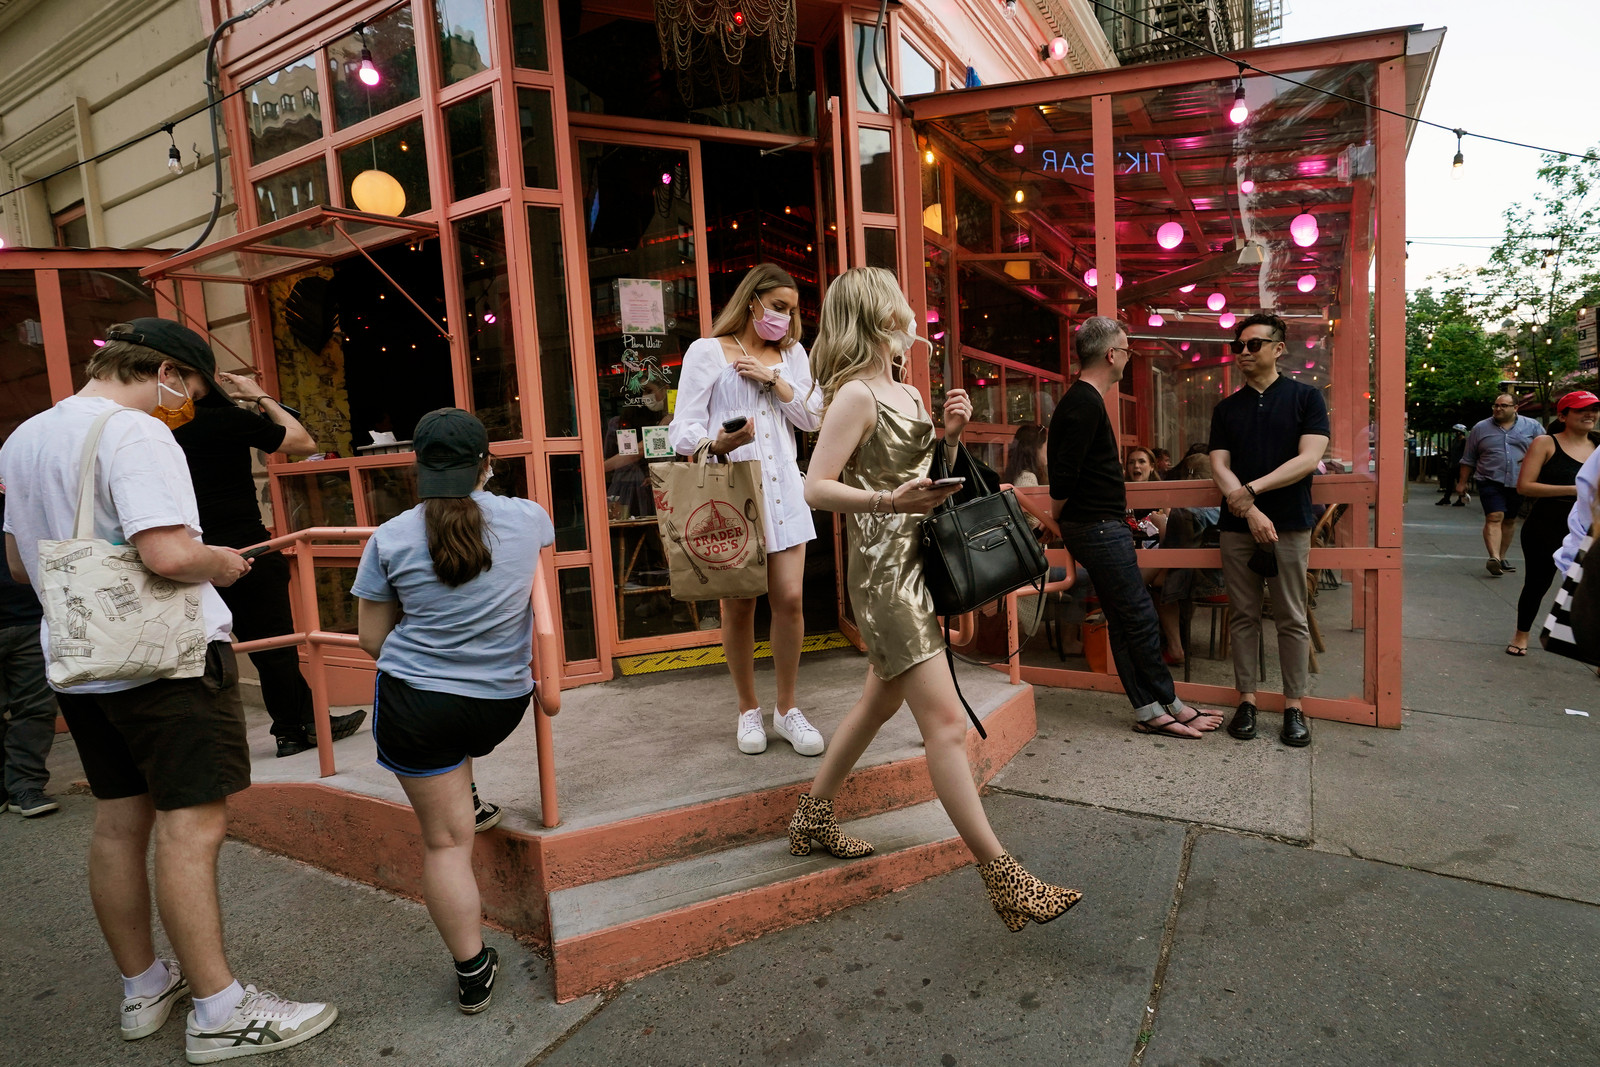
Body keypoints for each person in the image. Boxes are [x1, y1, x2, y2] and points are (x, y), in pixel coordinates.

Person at [0, 322, 336, 1059]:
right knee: (193, 825)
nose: (184, 403)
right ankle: (222, 1010)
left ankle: (144, 983)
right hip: (165, 662)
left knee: (121, 821)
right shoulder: (139, 434)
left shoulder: (24, 438)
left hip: (84, 657)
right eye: (188, 388)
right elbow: (168, 551)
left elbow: (23, 567)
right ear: (163, 369)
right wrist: (222, 561)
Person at [787, 266, 1080, 930]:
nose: (909, 317)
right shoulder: (856, 395)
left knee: (876, 700)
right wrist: (888, 499)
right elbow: (815, 487)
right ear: (875, 317)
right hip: (886, 575)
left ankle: (810, 816)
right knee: (945, 726)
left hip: (919, 561)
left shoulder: (908, 394)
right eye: (896, 307)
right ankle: (1003, 874)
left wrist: (948, 437)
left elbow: (927, 480)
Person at [352, 408, 554, 1015]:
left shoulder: (388, 537)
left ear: (417, 468)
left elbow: (371, 640)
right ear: (486, 464)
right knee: (455, 749)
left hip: (418, 708)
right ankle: (463, 792)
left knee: (445, 846)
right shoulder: (530, 520)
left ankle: (472, 973)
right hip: (500, 704)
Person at [155, 319, 367, 759]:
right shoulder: (222, 420)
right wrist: (259, 395)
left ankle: (309, 720)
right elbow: (301, 440)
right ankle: (294, 730)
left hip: (184, 551)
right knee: (275, 644)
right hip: (243, 548)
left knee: (221, 650)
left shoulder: (151, 429)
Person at [669, 264, 825, 758]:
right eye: (778, 307)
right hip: (733, 495)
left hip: (785, 492)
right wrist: (717, 442)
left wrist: (772, 380)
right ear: (752, 301)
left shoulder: (793, 354)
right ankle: (747, 708)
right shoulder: (706, 352)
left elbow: (813, 415)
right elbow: (681, 430)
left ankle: (787, 707)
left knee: (791, 600)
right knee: (739, 606)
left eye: (792, 310)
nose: (784, 318)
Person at [1048, 316, 1218, 738]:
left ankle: (1149, 710)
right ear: (1112, 354)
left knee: (1126, 618)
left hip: (1097, 526)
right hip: (1098, 527)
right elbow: (1064, 479)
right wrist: (1064, 519)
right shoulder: (1083, 403)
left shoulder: (1083, 401)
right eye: (1126, 350)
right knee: (1140, 616)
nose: (1128, 356)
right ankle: (1170, 705)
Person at [1208, 313, 1330, 749]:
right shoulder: (1227, 407)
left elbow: (1308, 457)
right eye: (1237, 345)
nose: (1242, 352)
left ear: (1278, 348)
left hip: (1290, 523)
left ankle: (1294, 705)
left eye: (1253, 344)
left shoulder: (1305, 398)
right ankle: (1247, 700)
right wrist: (1248, 509)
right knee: (1241, 615)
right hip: (1238, 526)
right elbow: (1218, 463)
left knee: (1291, 617)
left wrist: (1251, 492)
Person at [1507, 392, 1599, 656]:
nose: (1589, 414)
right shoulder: (1545, 443)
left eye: (1594, 409)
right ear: (1563, 415)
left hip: (1590, 528)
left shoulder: (1599, 447)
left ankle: (1595, 649)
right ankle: (1521, 634)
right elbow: (1525, 486)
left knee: (1592, 590)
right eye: (1582, 410)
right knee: (1538, 582)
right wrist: (1575, 490)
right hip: (1546, 523)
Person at [0, 489, 60, 817]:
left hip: (28, 614)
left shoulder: (19, 475)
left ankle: (26, 786)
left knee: (35, 709)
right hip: (23, 612)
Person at [1458, 395, 1542, 576]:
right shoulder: (1480, 428)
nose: (1498, 409)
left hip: (1519, 480)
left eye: (1504, 405)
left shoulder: (1533, 427)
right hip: (1489, 479)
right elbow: (1468, 458)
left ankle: (1502, 557)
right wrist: (1462, 483)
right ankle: (1494, 557)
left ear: (1516, 408)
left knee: (1510, 519)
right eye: (1495, 405)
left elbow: (1545, 450)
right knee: (1495, 516)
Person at [1002, 422, 1049, 533]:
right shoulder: (1027, 479)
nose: (1049, 450)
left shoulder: (1020, 475)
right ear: (1035, 448)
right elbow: (1036, 523)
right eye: (1047, 445)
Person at [1436, 424, 1469, 505]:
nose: (1454, 433)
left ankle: (1461, 500)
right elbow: (1453, 452)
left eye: (1455, 431)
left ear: (1460, 432)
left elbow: (1466, 454)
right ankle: (1446, 498)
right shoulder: (1455, 441)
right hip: (1453, 465)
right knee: (1449, 482)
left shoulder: (1464, 442)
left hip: (1460, 465)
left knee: (1460, 482)